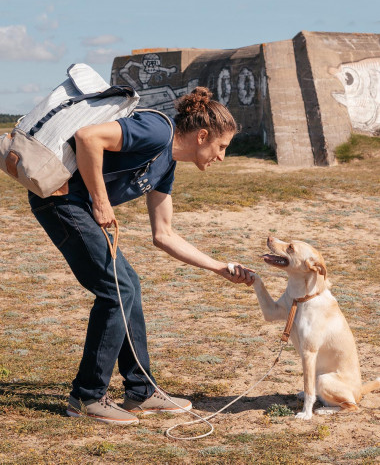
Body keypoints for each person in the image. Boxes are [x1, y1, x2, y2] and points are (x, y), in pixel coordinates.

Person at [28, 87, 255, 425]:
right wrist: (101, 202)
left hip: (79, 208)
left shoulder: (167, 166)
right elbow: (88, 137)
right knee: (116, 287)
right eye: (221, 147)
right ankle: (86, 397)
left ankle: (140, 390)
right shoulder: (157, 131)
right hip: (59, 200)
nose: (221, 156)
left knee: (127, 284)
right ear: (203, 135)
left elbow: (164, 235)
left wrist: (219, 267)